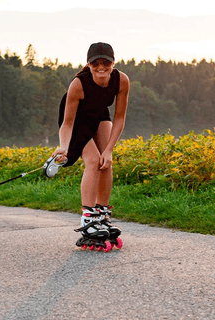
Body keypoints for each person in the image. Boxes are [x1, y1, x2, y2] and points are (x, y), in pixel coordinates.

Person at [52, 42, 130, 251]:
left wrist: (110, 149)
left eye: (106, 62)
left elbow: (120, 118)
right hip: (77, 119)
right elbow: (67, 123)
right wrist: (64, 147)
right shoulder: (78, 84)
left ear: (114, 62)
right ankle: (88, 220)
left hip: (99, 113)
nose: (101, 66)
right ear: (88, 64)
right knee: (94, 161)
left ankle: (102, 216)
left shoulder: (121, 80)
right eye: (96, 63)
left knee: (106, 161)